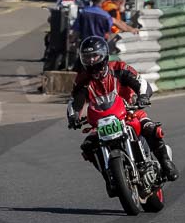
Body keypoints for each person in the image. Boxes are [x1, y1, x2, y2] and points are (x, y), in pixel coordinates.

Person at [67, 36, 179, 182]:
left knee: (151, 129)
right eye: (87, 57)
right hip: (102, 121)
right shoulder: (82, 80)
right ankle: (109, 176)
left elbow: (141, 82)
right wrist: (74, 116)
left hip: (130, 112)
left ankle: (165, 163)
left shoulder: (119, 68)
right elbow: (75, 100)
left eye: (95, 56)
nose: (92, 61)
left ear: (104, 54)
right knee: (88, 146)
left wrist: (143, 96)